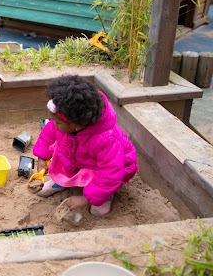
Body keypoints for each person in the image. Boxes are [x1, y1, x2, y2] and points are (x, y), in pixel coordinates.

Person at [32, 75, 139, 216]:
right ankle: (62, 181)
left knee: (103, 189)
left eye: (58, 122)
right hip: (80, 156)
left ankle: (103, 197)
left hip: (112, 166)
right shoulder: (65, 121)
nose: (54, 123)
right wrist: (42, 156)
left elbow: (110, 175)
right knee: (61, 152)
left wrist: (85, 199)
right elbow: (47, 135)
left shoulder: (106, 140)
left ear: (76, 125)